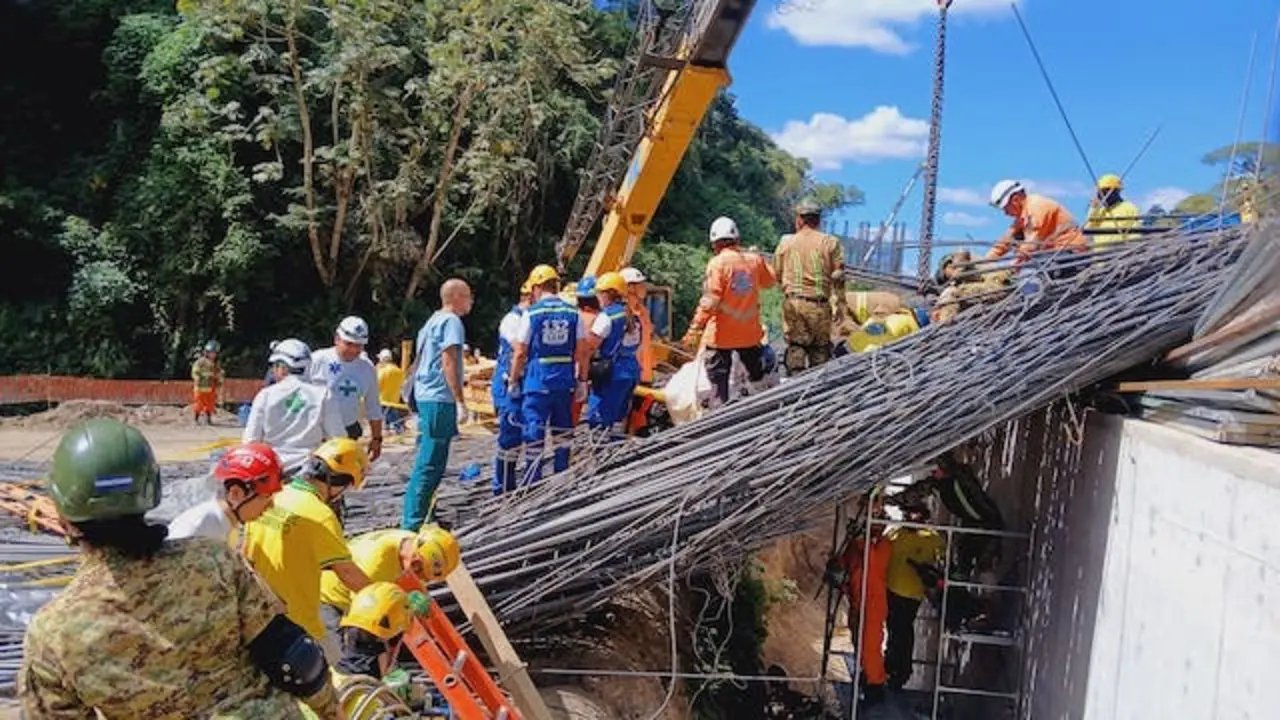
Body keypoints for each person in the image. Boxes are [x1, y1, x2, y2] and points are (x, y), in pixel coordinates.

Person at [19, 418, 342, 719]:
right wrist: (331, 712)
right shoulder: (213, 559)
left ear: (63, 516)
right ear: (152, 490)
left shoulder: (52, 634)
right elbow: (294, 656)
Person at [243, 438, 373, 662]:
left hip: (258, 616)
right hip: (299, 625)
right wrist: (385, 597)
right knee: (335, 673)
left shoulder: (272, 497)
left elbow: (246, 555)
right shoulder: (319, 515)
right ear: (338, 481)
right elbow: (348, 574)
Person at [509, 264, 591, 486]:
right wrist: (583, 381)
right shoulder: (574, 313)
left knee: (534, 433)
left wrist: (513, 380)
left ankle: (532, 483)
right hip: (564, 382)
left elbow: (519, 352)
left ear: (536, 288)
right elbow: (583, 350)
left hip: (537, 382)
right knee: (562, 432)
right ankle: (561, 479)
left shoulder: (532, 314)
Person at [680, 216, 776, 407]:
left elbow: (710, 301)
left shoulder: (718, 264)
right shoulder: (754, 261)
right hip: (749, 336)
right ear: (737, 240)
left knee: (719, 386)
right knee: (758, 379)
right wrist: (761, 260)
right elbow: (770, 281)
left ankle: (720, 415)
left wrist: (694, 329)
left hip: (721, 337)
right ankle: (765, 409)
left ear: (715, 244)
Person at [405, 278, 473, 531]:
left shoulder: (431, 321)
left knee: (427, 458)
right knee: (431, 462)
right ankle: (412, 523)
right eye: (467, 296)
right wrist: (459, 400)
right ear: (456, 297)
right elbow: (449, 361)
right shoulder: (451, 322)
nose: (470, 302)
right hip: (438, 398)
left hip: (426, 396)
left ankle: (424, 514)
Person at [319, 524, 460, 636]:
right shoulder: (375, 564)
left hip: (359, 592)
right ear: (416, 563)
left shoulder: (409, 541)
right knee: (345, 660)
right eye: (420, 573)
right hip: (328, 600)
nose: (419, 579)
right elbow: (365, 617)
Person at [243, 338, 346, 474]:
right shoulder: (323, 395)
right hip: (310, 474)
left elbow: (251, 441)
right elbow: (338, 439)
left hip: (272, 473)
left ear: (282, 367)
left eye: (274, 366)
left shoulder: (265, 396)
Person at [774, 199, 846, 374]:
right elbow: (839, 274)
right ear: (818, 220)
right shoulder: (830, 243)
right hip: (820, 306)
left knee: (796, 348)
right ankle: (817, 396)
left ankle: (794, 391)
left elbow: (776, 274)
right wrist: (840, 303)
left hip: (795, 305)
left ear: (799, 219)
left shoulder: (786, 243)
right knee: (820, 353)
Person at [168, 441, 284, 546]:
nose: (271, 507)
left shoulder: (223, 524)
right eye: (266, 498)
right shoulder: (198, 529)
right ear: (236, 493)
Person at [839, 490, 892, 707]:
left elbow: (870, 561)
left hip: (873, 602)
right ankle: (866, 677)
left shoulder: (883, 546)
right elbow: (845, 567)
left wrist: (861, 538)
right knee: (859, 643)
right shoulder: (855, 546)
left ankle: (875, 685)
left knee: (870, 645)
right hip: (857, 600)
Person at [885, 503, 944, 691]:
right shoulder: (895, 534)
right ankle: (891, 666)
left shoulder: (930, 537)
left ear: (923, 516)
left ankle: (901, 670)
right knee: (894, 629)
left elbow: (943, 560)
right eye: (909, 512)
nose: (911, 516)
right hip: (890, 590)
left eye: (916, 513)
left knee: (902, 630)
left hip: (911, 594)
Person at [310, 316, 384, 461]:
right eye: (349, 344)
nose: (354, 350)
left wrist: (376, 439)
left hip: (347, 433)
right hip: (316, 434)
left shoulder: (367, 368)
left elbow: (373, 406)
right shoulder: (317, 360)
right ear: (337, 339)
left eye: (359, 346)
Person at [586, 271, 641, 432]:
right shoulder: (633, 316)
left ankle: (599, 455)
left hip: (611, 374)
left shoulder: (607, 317)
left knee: (599, 419)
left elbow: (590, 347)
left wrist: (582, 372)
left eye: (599, 293)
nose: (597, 297)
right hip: (631, 372)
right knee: (618, 419)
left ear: (608, 293)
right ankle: (617, 452)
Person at [986, 179, 1087, 266]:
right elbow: (1005, 242)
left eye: (1006, 209)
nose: (1005, 213)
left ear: (1015, 200)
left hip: (1070, 253)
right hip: (1052, 255)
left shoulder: (1036, 207)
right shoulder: (1023, 215)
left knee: (1028, 272)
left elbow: (1030, 246)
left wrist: (1010, 267)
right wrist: (985, 263)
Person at [492, 280, 532, 495]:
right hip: (509, 386)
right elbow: (519, 351)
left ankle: (512, 485)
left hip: (521, 384)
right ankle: (502, 489)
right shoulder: (513, 320)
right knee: (509, 439)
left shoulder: (527, 319)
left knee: (523, 437)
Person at [571, 276, 600, 426]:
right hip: (584, 368)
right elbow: (587, 352)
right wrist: (583, 379)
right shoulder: (598, 319)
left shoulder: (573, 316)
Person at [1085, 174, 1142, 248]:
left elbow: (1135, 231)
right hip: (1099, 254)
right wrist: (1093, 208)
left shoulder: (1129, 207)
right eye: (1099, 193)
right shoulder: (1100, 211)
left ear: (1116, 192)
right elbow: (1088, 228)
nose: (1102, 195)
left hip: (1120, 253)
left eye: (1105, 192)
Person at [620, 266, 655, 385]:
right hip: (627, 373)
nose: (644, 287)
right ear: (629, 287)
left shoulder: (643, 311)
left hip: (643, 374)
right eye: (640, 284)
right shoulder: (621, 313)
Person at [191, 339, 223, 425]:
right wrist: (197, 378)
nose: (213, 355)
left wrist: (219, 381)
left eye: (215, 353)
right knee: (198, 404)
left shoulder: (215, 364)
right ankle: (196, 419)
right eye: (212, 352)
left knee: (210, 404)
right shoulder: (200, 362)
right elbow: (195, 371)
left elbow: (218, 374)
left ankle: (208, 419)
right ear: (207, 352)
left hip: (211, 388)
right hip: (200, 388)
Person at [375, 348, 407, 434]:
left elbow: (377, 384)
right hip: (394, 398)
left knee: (390, 414)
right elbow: (402, 384)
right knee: (390, 413)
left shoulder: (383, 371)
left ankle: (399, 428)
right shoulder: (398, 370)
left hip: (383, 398)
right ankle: (389, 428)